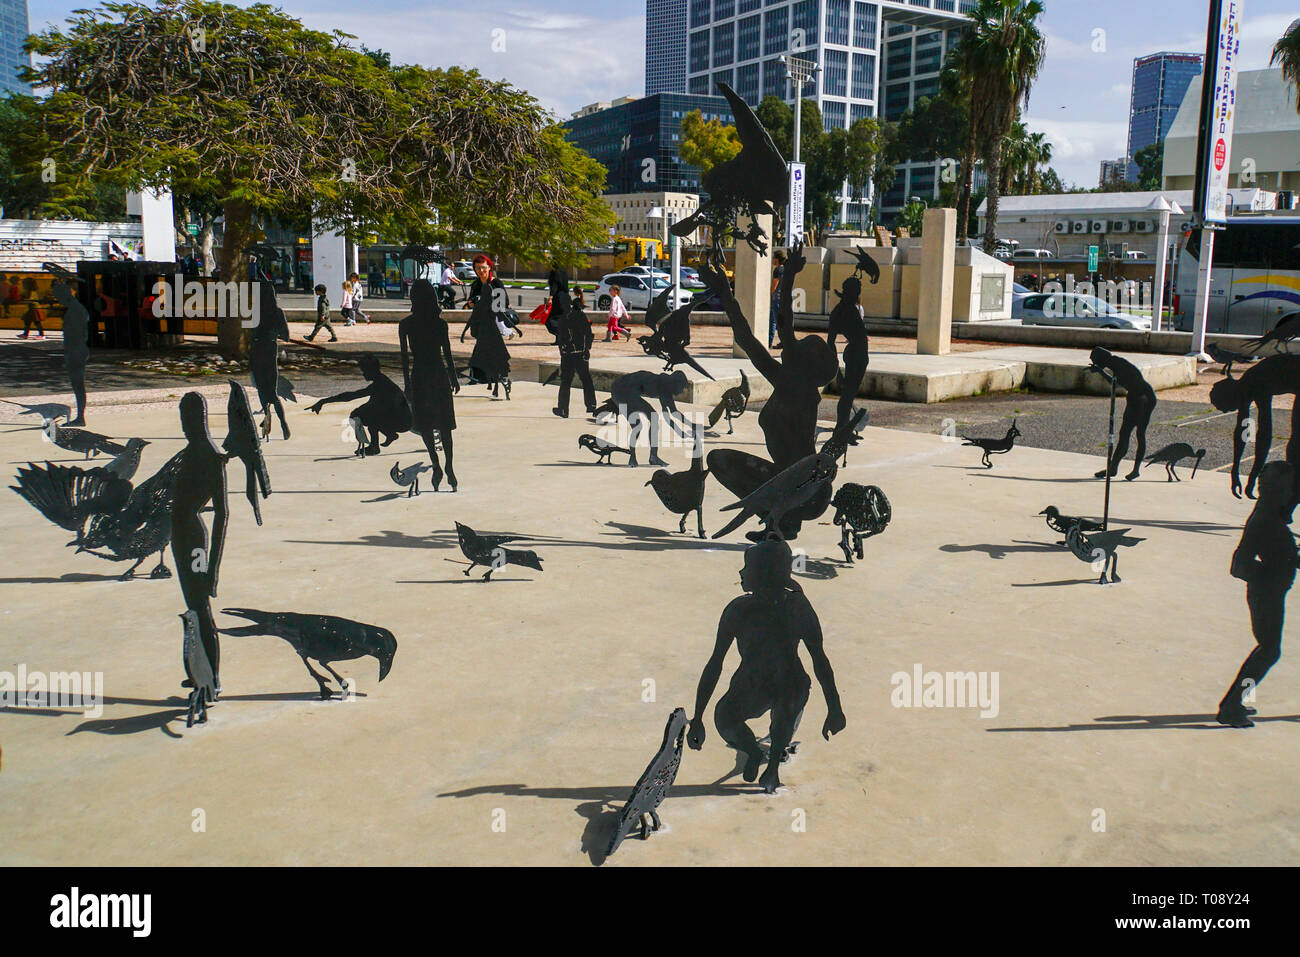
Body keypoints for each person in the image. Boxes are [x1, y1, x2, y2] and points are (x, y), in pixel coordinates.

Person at [687, 536, 845, 793]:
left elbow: (819, 660)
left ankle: (773, 766)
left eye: (747, 568)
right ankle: (753, 752)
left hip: (789, 682)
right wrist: (699, 717)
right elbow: (715, 662)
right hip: (752, 682)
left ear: (764, 574)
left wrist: (834, 708)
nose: (741, 572)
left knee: (785, 712)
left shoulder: (798, 608)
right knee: (725, 718)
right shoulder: (738, 610)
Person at [1217, 461, 1299, 727]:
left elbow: (1280, 554)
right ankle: (1230, 706)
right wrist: (1272, 574)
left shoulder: (1269, 514)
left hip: (1272, 592)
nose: (1290, 493)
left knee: (1268, 650)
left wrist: (1288, 561)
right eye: (1286, 488)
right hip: (1266, 595)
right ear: (1276, 489)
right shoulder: (1264, 520)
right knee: (1269, 650)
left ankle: (1235, 702)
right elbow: (1239, 564)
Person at [400, 279, 459, 489]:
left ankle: (436, 464)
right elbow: (447, 354)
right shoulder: (440, 323)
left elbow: (405, 358)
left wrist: (407, 384)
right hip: (438, 373)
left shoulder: (406, 324)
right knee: (444, 426)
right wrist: (453, 377)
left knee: (425, 424)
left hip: (420, 375)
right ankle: (449, 467)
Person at [309, 353, 413, 455]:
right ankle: (388, 434)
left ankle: (375, 446)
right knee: (365, 412)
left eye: (364, 371)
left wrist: (323, 401)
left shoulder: (380, 384)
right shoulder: (382, 381)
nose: (363, 374)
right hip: (401, 418)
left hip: (402, 421)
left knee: (360, 415)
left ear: (371, 370)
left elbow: (351, 396)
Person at [1089, 346, 1156, 481]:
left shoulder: (1120, 364)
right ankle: (1113, 468)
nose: (1095, 363)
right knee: (1124, 433)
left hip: (1144, 398)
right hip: (1134, 398)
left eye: (1095, 361)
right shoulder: (1114, 364)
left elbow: (1119, 383)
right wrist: (1100, 371)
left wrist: (1100, 371)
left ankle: (1136, 470)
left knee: (1139, 433)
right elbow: (1116, 382)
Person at [460, 254, 512, 399]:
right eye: (478, 268)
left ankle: (491, 379)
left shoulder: (496, 283)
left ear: (489, 267)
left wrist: (486, 302)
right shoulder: (476, 284)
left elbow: (504, 302)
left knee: (488, 352)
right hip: (481, 324)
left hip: (493, 324)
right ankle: (486, 380)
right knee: (484, 351)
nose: (481, 271)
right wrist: (472, 303)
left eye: (483, 267)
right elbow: (471, 301)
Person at [50, 279, 90, 425]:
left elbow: (75, 334)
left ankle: (80, 417)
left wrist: (70, 352)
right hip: (76, 349)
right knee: (78, 384)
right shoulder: (76, 308)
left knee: (78, 384)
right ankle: (80, 417)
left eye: (58, 296)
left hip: (76, 350)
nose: (57, 299)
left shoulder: (75, 309)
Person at [553, 298, 596, 418]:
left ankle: (563, 409)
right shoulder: (582, 317)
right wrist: (587, 349)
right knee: (586, 379)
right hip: (581, 353)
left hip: (568, 354)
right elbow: (589, 335)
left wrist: (562, 352)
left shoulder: (564, 318)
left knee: (566, 382)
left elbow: (560, 337)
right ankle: (591, 405)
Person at [769, 251, 786, 349]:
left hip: (776, 300)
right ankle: (781, 341)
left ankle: (770, 342)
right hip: (783, 299)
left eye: (773, 257)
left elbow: (774, 286)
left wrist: (768, 295)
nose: (772, 260)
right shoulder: (786, 269)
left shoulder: (777, 270)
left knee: (775, 322)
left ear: (777, 259)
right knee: (779, 322)